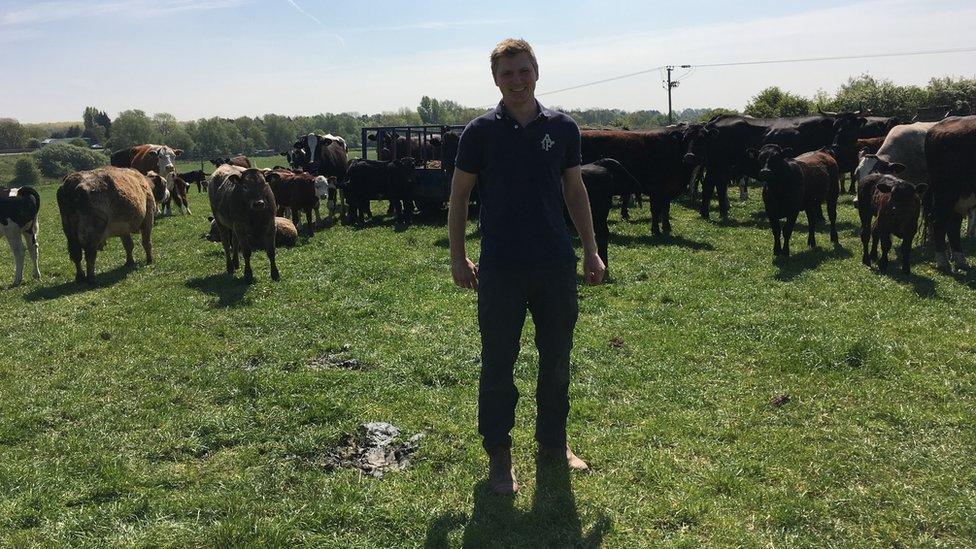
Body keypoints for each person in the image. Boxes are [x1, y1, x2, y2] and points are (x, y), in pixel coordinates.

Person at [447, 38, 606, 495]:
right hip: (500, 267)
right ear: (495, 79)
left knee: (556, 359)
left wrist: (591, 248)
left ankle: (554, 443)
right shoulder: (479, 132)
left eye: (523, 71)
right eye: (506, 74)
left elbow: (575, 191)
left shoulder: (564, 127)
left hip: (555, 262)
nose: (516, 81)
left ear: (537, 71)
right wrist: (458, 256)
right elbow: (459, 197)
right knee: (498, 361)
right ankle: (499, 455)